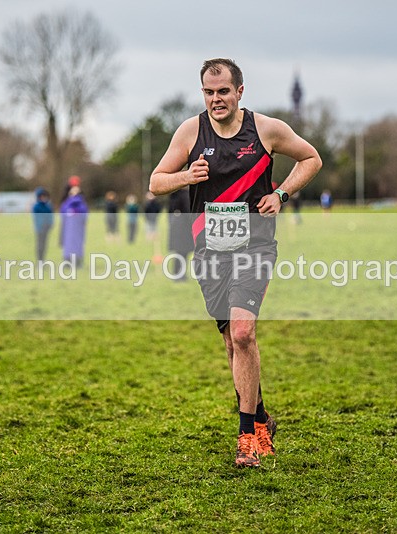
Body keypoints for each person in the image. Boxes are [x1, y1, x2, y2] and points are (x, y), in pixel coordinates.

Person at [150, 58, 322, 467]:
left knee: (243, 333)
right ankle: (260, 418)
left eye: (223, 91)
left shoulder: (266, 129)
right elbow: (156, 182)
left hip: (255, 247)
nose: (216, 99)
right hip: (209, 252)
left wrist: (280, 195)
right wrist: (186, 176)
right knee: (232, 343)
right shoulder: (191, 132)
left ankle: (247, 438)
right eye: (208, 92)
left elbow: (311, 158)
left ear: (239, 91)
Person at [59, 176, 89, 269]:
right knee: (69, 243)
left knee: (76, 243)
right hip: (69, 227)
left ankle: (77, 262)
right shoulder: (66, 203)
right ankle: (68, 261)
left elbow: (84, 214)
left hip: (77, 227)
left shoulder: (81, 203)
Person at [167, 187, 193, 282]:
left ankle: (178, 274)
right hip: (184, 230)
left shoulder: (173, 196)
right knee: (183, 253)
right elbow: (188, 212)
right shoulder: (184, 195)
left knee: (179, 252)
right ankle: (179, 275)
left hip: (176, 229)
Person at [32, 187, 54, 262]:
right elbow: (37, 218)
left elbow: (50, 216)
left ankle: (43, 260)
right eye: (41, 196)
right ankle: (39, 260)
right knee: (40, 245)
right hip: (40, 228)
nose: (43, 198)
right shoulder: (37, 207)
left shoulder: (48, 206)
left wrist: (50, 224)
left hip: (46, 228)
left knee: (44, 245)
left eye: (44, 196)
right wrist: (41, 225)